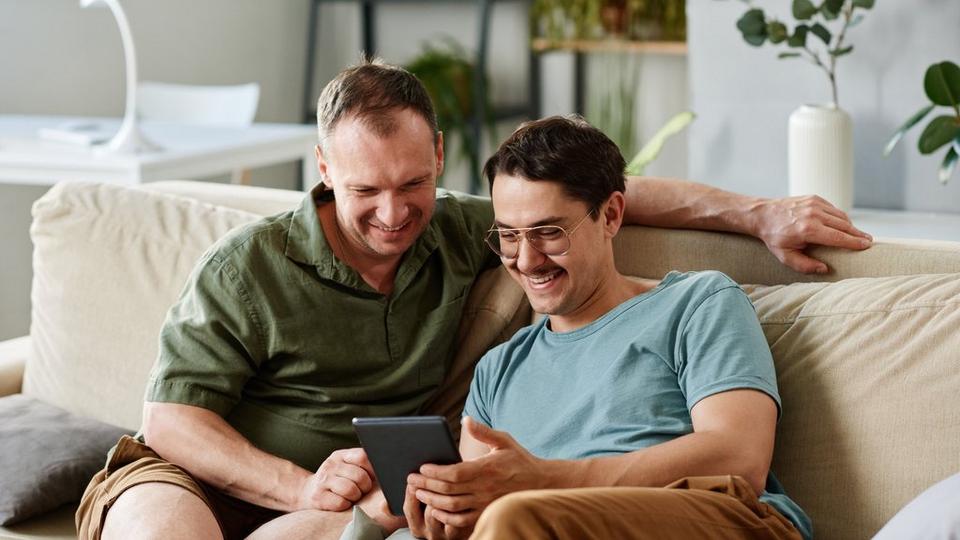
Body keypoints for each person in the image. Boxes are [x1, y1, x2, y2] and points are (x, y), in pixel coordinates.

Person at [75, 59, 866, 540]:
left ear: (439, 159)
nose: (394, 214)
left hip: (390, 502)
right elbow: (169, 421)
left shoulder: (684, 299)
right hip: (198, 475)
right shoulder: (253, 267)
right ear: (321, 168)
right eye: (365, 191)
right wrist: (315, 489)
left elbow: (584, 190)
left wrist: (755, 211)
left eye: (413, 184)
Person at [397, 115, 811, 540]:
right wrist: (447, 516)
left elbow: (740, 457)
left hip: (717, 518)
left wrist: (545, 480)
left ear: (611, 215)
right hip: (535, 529)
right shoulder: (497, 371)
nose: (526, 260)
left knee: (515, 516)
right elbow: (481, 508)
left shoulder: (696, 304)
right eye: (508, 236)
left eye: (548, 232)